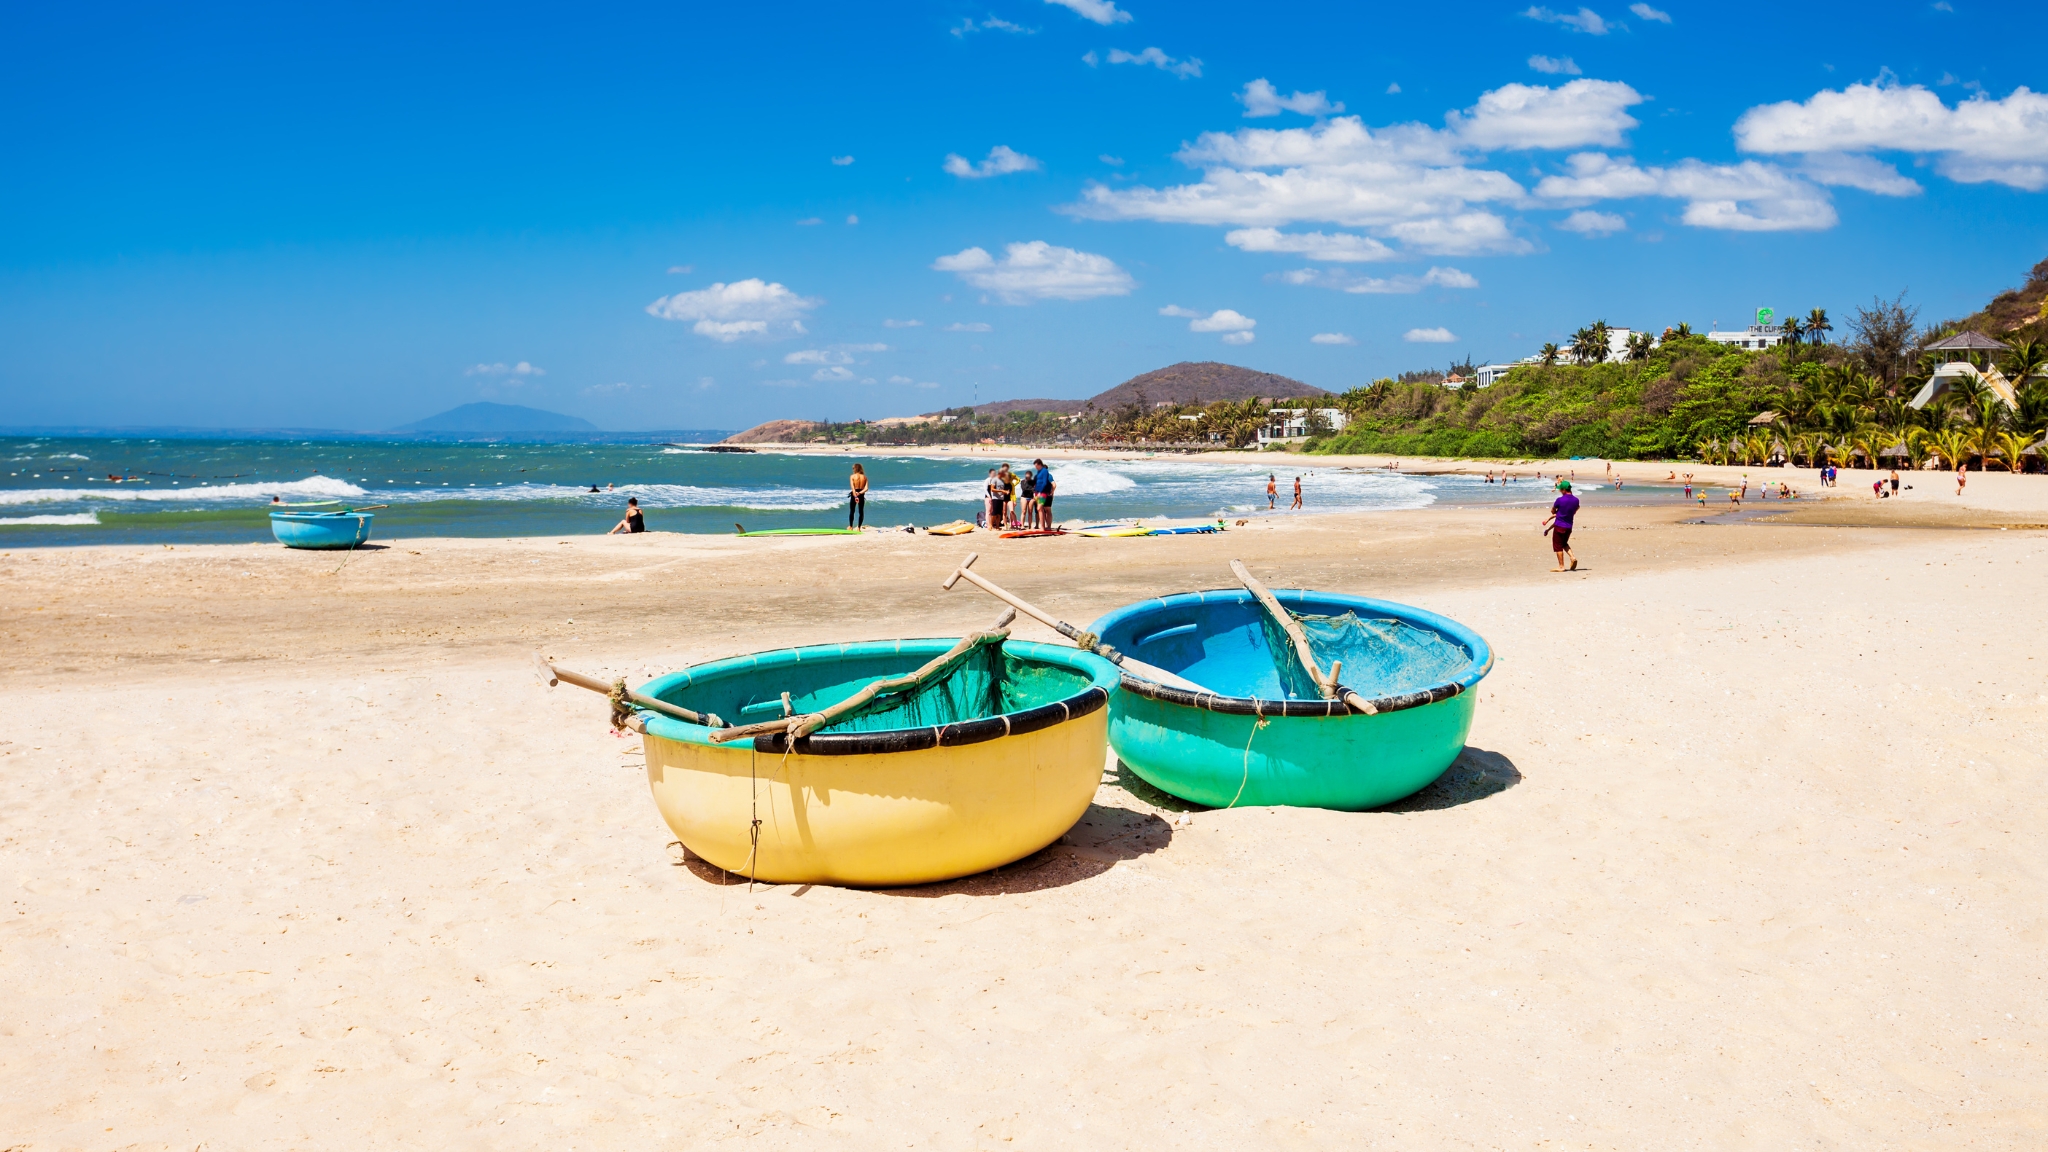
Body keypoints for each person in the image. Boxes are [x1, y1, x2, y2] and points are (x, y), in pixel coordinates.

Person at [1542, 480, 1578, 572]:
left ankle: (1561, 566)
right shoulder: (1576, 500)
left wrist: (1555, 512)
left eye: (1560, 490)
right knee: (1564, 543)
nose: (1559, 491)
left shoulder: (1560, 500)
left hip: (1559, 526)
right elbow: (1575, 510)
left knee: (1558, 546)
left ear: (1563, 490)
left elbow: (1553, 511)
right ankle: (1572, 557)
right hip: (1569, 526)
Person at [1032, 458, 1055, 530]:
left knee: (1041, 509)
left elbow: (1053, 485)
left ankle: (1044, 526)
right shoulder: (1048, 475)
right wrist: (1052, 492)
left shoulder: (1046, 475)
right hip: (1048, 495)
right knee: (1047, 510)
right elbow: (1053, 485)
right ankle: (1048, 526)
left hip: (1044, 494)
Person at [847, 463, 868, 529]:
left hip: (854, 494)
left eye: (853, 468)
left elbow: (852, 487)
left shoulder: (852, 476)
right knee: (861, 511)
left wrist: (855, 496)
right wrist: (860, 493)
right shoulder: (864, 477)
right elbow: (866, 488)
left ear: (855, 469)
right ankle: (859, 528)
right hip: (861, 495)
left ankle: (851, 526)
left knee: (852, 511)